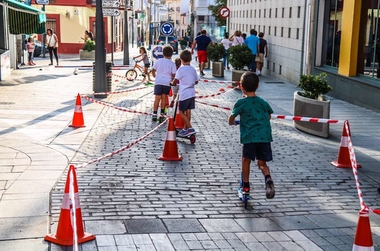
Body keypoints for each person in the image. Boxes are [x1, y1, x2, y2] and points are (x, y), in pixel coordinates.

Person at [228, 71, 275, 200]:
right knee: (262, 163)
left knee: (246, 160)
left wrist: (233, 122)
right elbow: (269, 116)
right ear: (257, 86)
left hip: (249, 137)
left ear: (241, 86)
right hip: (264, 137)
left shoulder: (241, 103)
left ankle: (246, 187)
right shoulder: (263, 102)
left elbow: (231, 118)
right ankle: (268, 178)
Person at [171, 50, 199, 136]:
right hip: (191, 93)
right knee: (188, 111)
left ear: (181, 59)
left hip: (184, 93)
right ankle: (185, 129)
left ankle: (190, 128)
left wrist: (172, 83)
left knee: (181, 111)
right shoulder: (193, 69)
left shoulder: (181, 69)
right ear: (190, 59)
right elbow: (196, 81)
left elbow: (175, 81)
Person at [151, 46, 177, 123]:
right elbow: (174, 74)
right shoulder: (172, 64)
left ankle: (154, 114)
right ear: (172, 54)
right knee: (164, 97)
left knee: (157, 98)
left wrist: (155, 76)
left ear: (163, 53)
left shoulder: (158, 61)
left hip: (158, 81)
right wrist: (172, 80)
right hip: (167, 82)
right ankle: (162, 114)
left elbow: (153, 70)